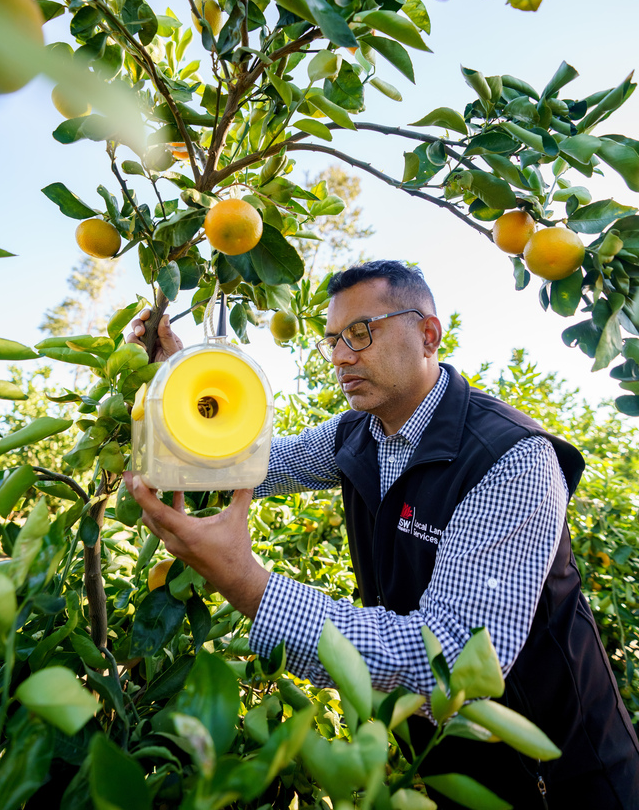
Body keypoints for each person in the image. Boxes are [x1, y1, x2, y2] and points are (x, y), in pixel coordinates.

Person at [124, 261, 639, 809]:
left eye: (361, 333)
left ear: (428, 335)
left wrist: (245, 580)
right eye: (332, 341)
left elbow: (451, 666)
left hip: (566, 780)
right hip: (450, 769)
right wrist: (177, 376)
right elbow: (241, 461)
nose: (342, 357)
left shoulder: (510, 458)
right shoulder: (358, 435)